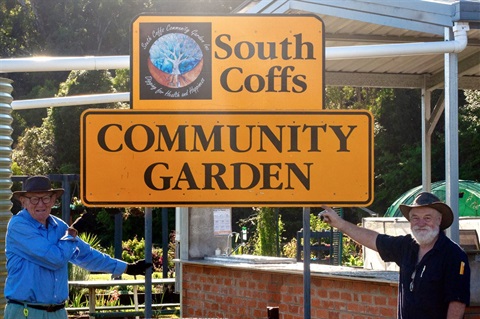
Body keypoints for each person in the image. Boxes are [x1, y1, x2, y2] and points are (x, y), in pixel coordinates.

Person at [5, 175, 151, 319]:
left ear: (54, 200)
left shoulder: (58, 226)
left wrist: (127, 268)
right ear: (23, 202)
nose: (41, 204)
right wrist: (73, 231)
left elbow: (86, 255)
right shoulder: (18, 226)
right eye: (34, 199)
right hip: (26, 312)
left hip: (58, 312)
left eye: (46, 198)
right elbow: (55, 259)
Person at [320, 192, 470, 319]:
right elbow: (373, 239)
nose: (421, 223)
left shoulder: (454, 255)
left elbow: (457, 302)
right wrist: (340, 223)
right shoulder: (406, 246)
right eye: (415, 218)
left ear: (439, 220)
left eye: (427, 218)